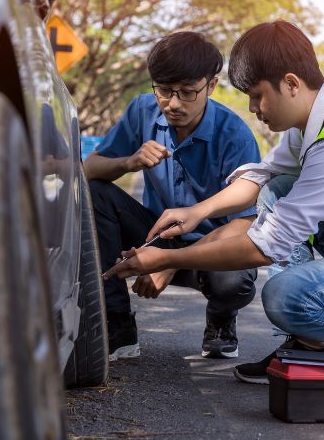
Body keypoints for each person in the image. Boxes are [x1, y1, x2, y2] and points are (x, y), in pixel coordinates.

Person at [103, 20, 324, 384]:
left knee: (286, 298)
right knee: (279, 187)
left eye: (257, 95)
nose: (253, 107)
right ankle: (308, 345)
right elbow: (263, 175)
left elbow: (265, 246)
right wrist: (198, 212)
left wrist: (167, 259)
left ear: (290, 83)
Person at [84, 31, 261, 361]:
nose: (173, 103)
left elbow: (248, 224)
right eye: (164, 90)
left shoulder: (235, 135)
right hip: (156, 235)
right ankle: (117, 326)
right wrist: (129, 161)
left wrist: (168, 263)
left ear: (211, 85)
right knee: (95, 195)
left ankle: (221, 320)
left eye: (187, 92)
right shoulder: (143, 110)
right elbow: (89, 169)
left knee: (232, 282)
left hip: (213, 247)